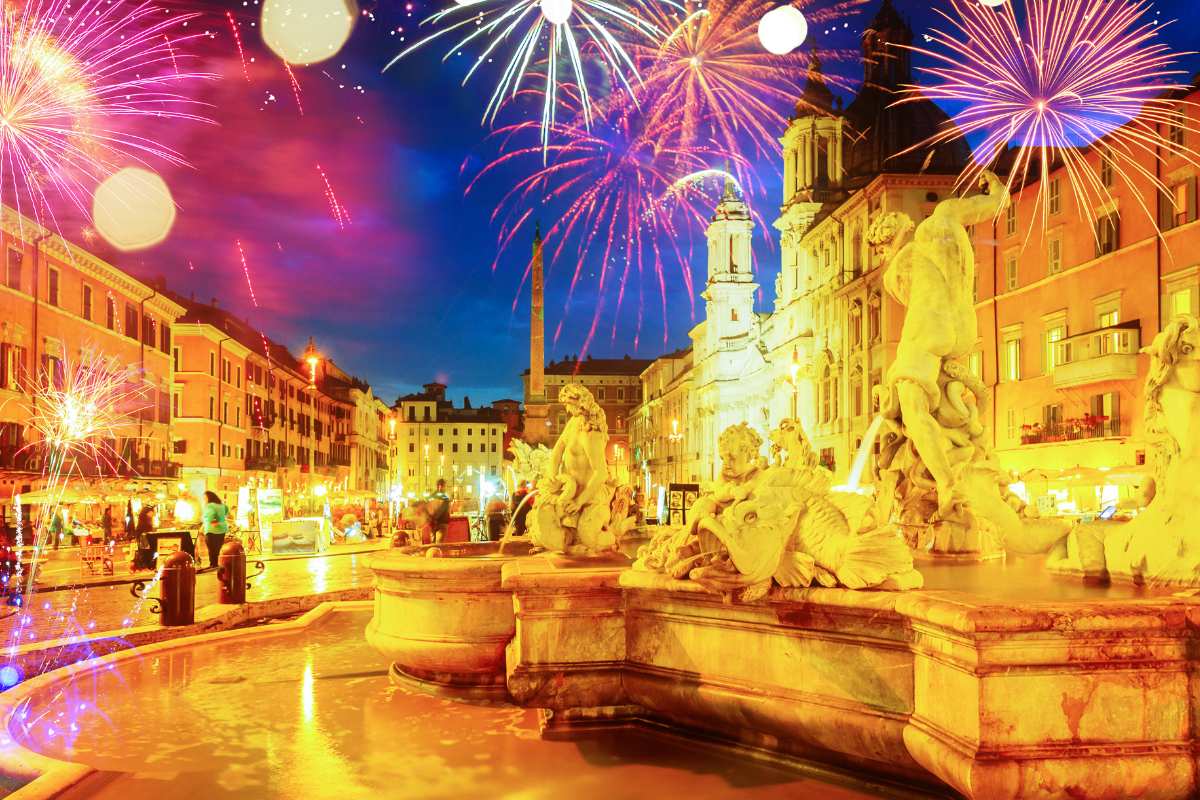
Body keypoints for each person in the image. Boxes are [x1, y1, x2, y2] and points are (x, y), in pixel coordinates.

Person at [202, 491, 229, 570]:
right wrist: (220, 519)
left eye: (205, 498)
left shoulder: (209, 506)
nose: (204, 500)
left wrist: (212, 520)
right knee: (217, 548)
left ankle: (213, 564)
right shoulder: (222, 505)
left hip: (211, 530)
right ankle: (215, 564)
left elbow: (210, 515)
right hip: (222, 529)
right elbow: (227, 511)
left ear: (209, 498)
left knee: (211, 548)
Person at [430, 480, 450, 544]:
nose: (441, 487)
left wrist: (432, 518)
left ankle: (433, 552)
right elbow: (443, 509)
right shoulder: (445, 497)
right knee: (439, 543)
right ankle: (436, 552)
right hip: (441, 522)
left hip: (434, 523)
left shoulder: (433, 496)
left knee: (433, 542)